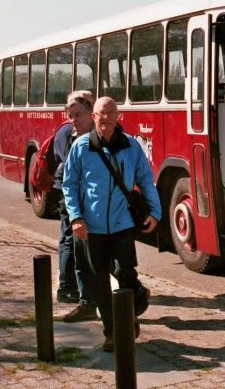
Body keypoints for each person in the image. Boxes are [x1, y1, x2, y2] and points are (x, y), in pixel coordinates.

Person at [63, 96, 161, 352]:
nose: (104, 118)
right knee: (99, 282)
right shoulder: (81, 147)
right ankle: (113, 332)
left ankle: (128, 317)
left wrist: (156, 212)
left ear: (118, 116)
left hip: (122, 225)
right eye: (100, 114)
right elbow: (70, 185)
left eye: (110, 113)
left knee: (127, 276)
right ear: (93, 116)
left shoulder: (131, 146)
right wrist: (76, 217)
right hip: (91, 227)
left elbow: (146, 180)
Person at [53, 91, 98, 322]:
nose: (73, 120)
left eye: (77, 115)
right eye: (70, 116)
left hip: (99, 207)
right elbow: (70, 180)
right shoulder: (71, 137)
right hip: (76, 205)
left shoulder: (105, 137)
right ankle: (83, 300)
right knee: (77, 250)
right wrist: (74, 212)